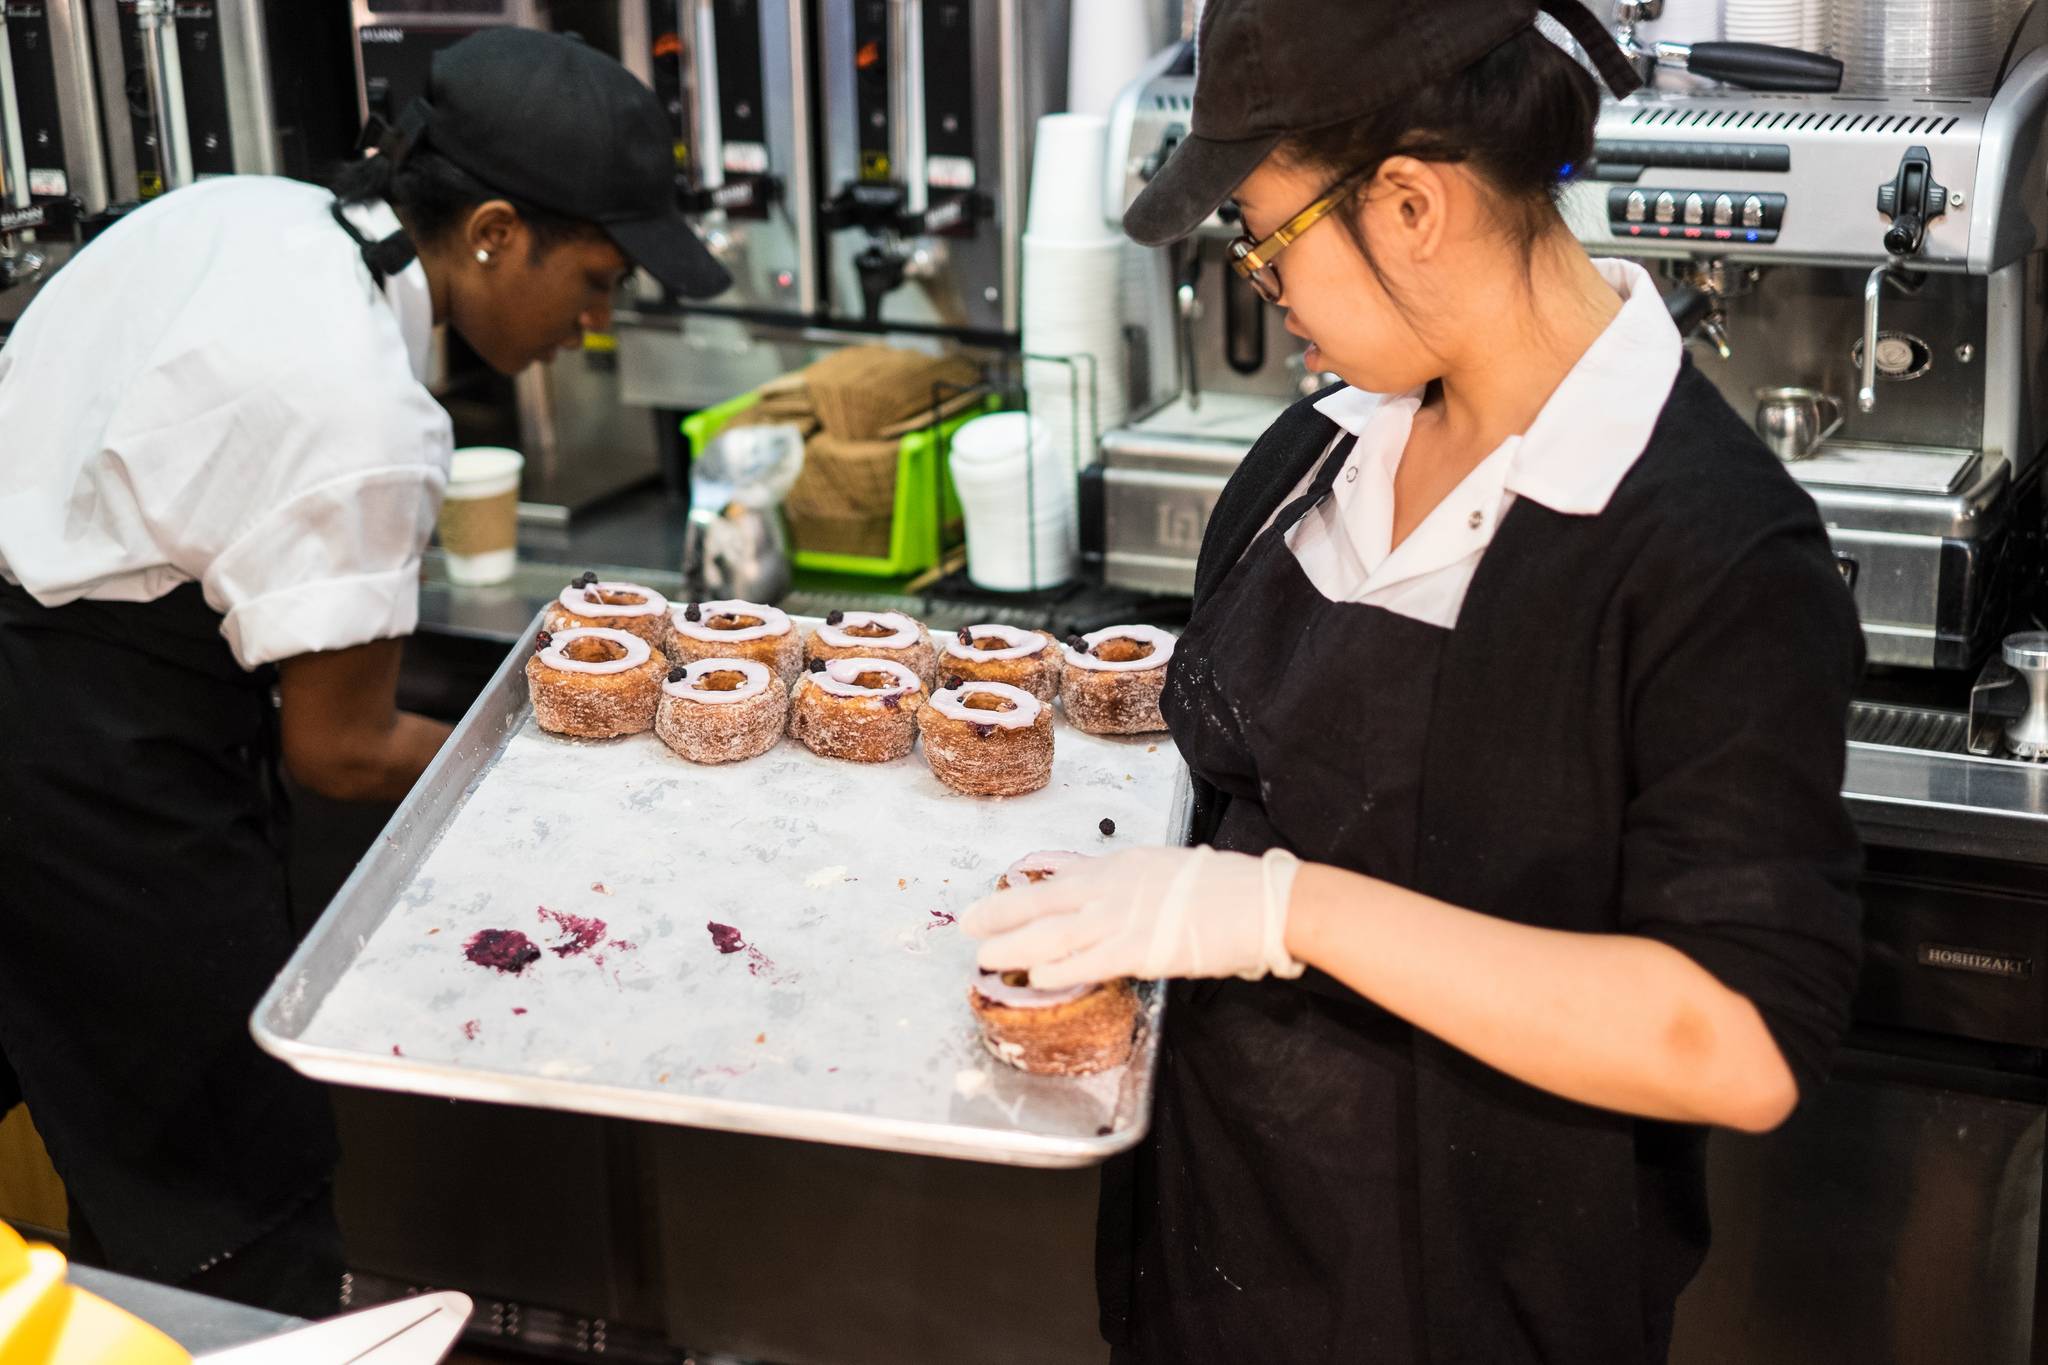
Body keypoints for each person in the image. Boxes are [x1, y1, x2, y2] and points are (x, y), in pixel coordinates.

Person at [964, 1, 1864, 1361]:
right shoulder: (1317, 458)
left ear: (1409, 205)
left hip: (1469, 1307)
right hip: (1214, 1264)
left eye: (1266, 244)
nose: (1263, 291)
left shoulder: (1710, 554)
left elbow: (1732, 1045)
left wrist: (1281, 909)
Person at [0, 29, 727, 1315]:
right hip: (93, 779)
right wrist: (561, 758)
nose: (596, 325)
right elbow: (336, 750)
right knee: (224, 1189)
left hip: (43, 680)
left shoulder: (248, 213)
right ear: (495, 232)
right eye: (599, 279)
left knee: (71, 1150)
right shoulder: (366, 408)